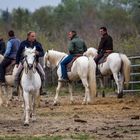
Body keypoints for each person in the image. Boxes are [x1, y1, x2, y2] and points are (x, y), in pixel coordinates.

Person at [13, 31, 46, 95]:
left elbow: (42, 53)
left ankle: (42, 89)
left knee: (43, 74)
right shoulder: (23, 43)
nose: (34, 37)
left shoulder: (38, 44)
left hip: (35, 62)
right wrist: (17, 63)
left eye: (34, 36)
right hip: (24, 62)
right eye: (32, 36)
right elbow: (18, 53)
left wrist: (38, 53)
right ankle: (16, 89)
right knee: (16, 74)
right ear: (28, 36)